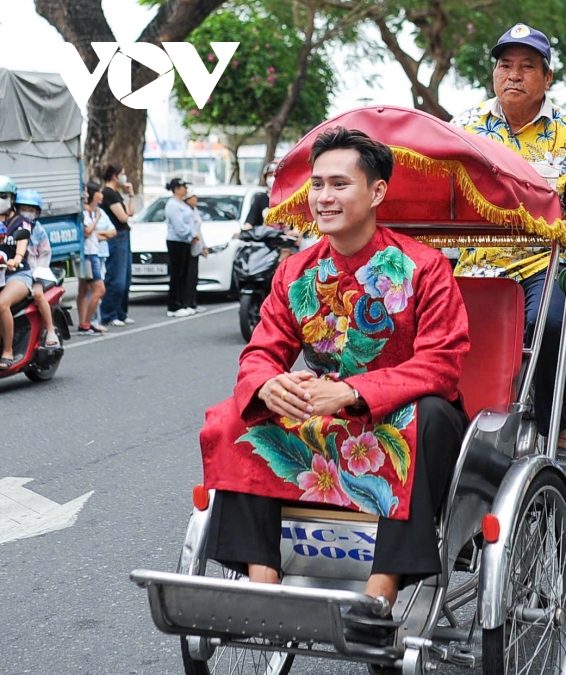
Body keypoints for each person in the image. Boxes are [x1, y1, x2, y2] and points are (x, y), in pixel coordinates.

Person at [199, 127, 470, 643]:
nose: (324, 197)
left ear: (377, 192)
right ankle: (265, 587)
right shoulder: (295, 271)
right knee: (237, 413)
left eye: (340, 184)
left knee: (427, 415)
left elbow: (443, 362)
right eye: (317, 184)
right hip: (324, 413)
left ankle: (379, 593)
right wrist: (267, 384)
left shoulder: (423, 267)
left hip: (403, 411)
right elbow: (261, 351)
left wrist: (353, 392)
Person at [452, 23, 566, 451]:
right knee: (430, 327)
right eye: (505, 65)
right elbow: (440, 190)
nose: (514, 75)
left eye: (527, 67)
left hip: (545, 260)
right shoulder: (464, 128)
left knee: (556, 324)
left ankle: (558, 424)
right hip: (478, 263)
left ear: (547, 78)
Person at [14, 190, 59, 346]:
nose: (27, 213)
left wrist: (38, 272)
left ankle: (51, 330)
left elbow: (45, 253)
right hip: (13, 273)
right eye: (24, 208)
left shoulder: (38, 230)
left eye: (31, 210)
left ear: (37, 212)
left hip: (34, 273)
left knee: (39, 295)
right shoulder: (12, 227)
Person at [0, 176, 34, 369]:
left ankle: (8, 350)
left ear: (12, 198)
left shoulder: (21, 223)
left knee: (2, 303)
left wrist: (16, 259)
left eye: (3, 196)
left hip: (17, 275)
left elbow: (21, 247)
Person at [98, 163, 136, 327]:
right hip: (116, 236)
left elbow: (131, 212)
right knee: (116, 278)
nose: (124, 177)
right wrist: (126, 212)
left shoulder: (116, 194)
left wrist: (131, 195)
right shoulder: (108, 193)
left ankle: (121, 312)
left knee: (126, 277)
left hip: (124, 235)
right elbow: (123, 217)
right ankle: (109, 313)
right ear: (115, 176)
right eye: (122, 174)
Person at [79, 182, 115, 335]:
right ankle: (87, 323)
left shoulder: (94, 211)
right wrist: (96, 220)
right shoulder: (87, 213)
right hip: (89, 254)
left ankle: (85, 323)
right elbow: (87, 232)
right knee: (99, 290)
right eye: (98, 192)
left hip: (94, 252)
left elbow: (112, 232)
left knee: (85, 289)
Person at [165, 178, 199, 317]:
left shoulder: (182, 204)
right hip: (177, 241)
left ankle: (183, 302)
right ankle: (173, 305)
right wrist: (190, 234)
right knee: (176, 273)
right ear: (177, 189)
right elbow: (179, 226)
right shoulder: (172, 205)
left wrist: (192, 235)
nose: (185, 189)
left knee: (184, 273)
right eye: (183, 187)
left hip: (186, 241)